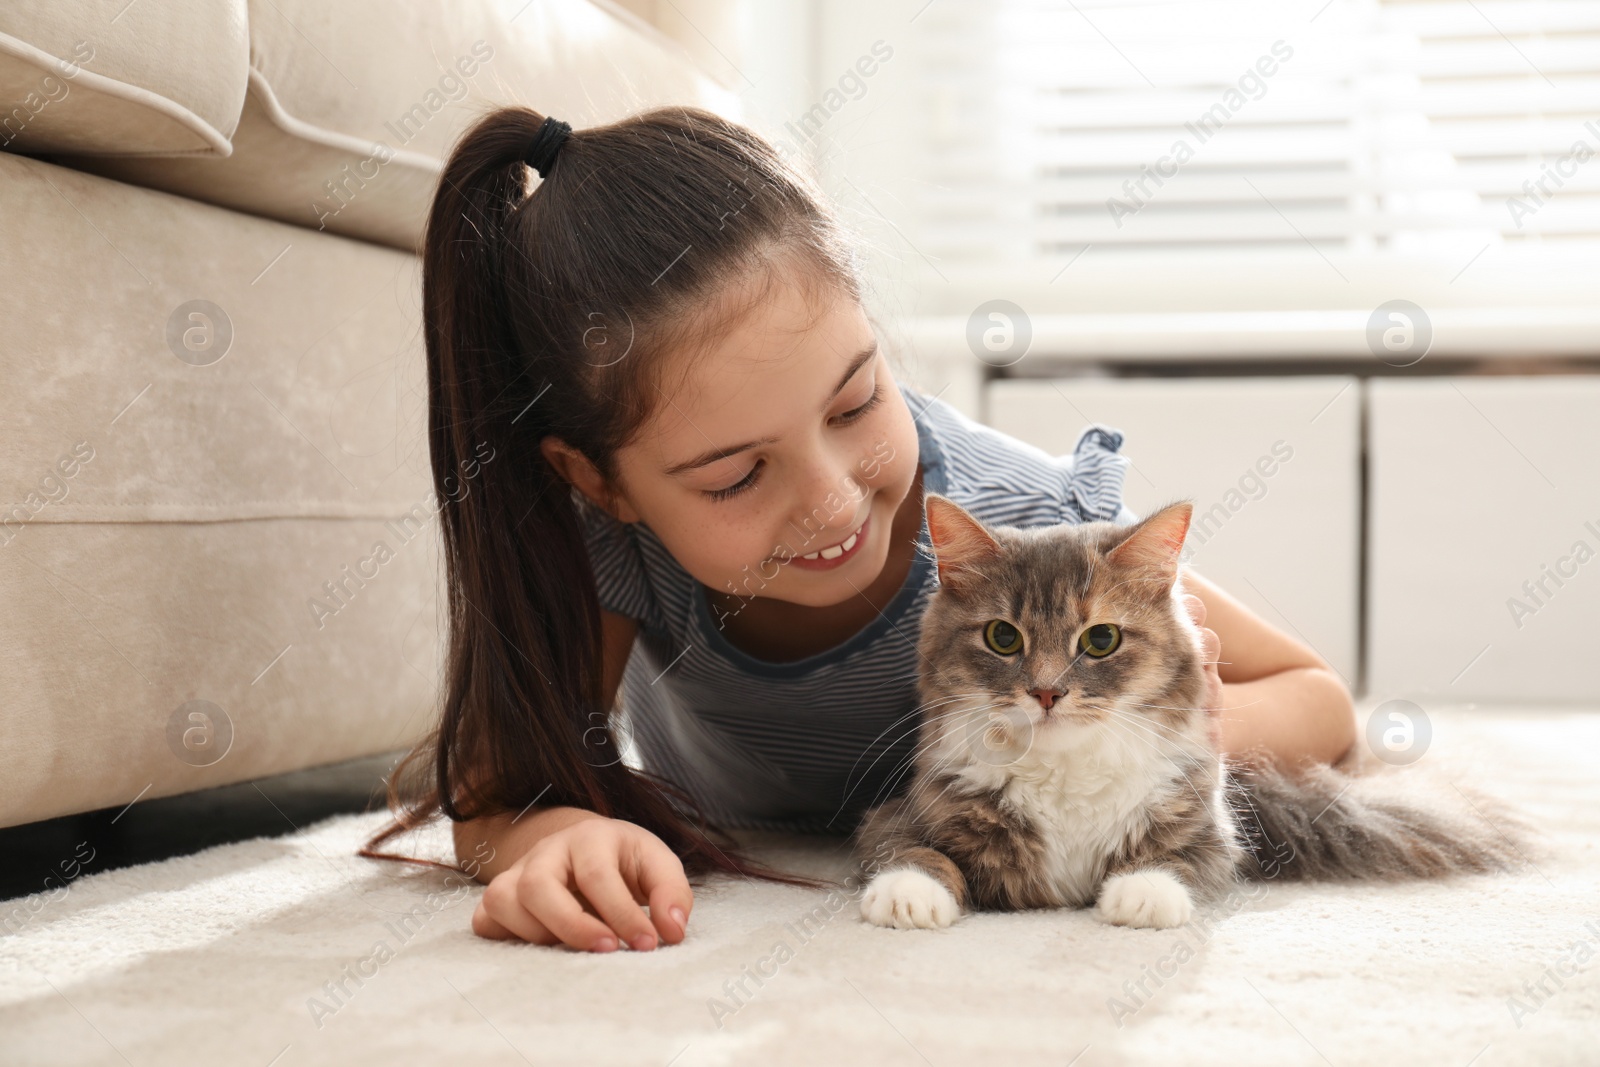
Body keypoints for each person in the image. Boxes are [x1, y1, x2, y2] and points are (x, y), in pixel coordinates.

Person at [362, 106, 1357, 956]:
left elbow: (1317, 700)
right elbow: (492, 799)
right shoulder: (616, 549)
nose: (834, 502)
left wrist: (1158, 738)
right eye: (737, 473)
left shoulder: (1014, 528)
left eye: (853, 405)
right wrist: (554, 836)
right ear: (600, 482)